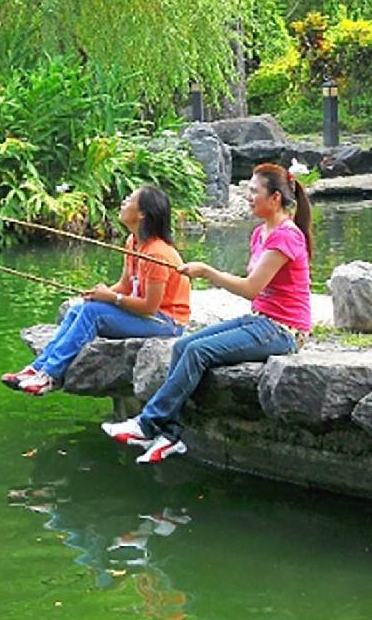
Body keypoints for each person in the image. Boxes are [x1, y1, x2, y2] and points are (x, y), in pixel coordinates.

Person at [104, 162, 312, 463]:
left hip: (285, 330)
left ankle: (147, 424)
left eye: (254, 191)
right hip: (260, 321)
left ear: (275, 198)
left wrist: (206, 271)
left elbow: (251, 288)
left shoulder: (287, 236)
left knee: (198, 352)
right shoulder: (260, 233)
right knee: (184, 345)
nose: (248, 196)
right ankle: (171, 435)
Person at [2, 185, 190, 396]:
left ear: (142, 214)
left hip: (168, 322)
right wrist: (97, 295)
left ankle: (50, 376)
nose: (123, 202)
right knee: (81, 308)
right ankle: (37, 368)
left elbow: (149, 306)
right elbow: (126, 285)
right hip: (150, 315)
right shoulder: (133, 242)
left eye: (129, 201)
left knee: (93, 313)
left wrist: (111, 298)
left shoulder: (157, 254)